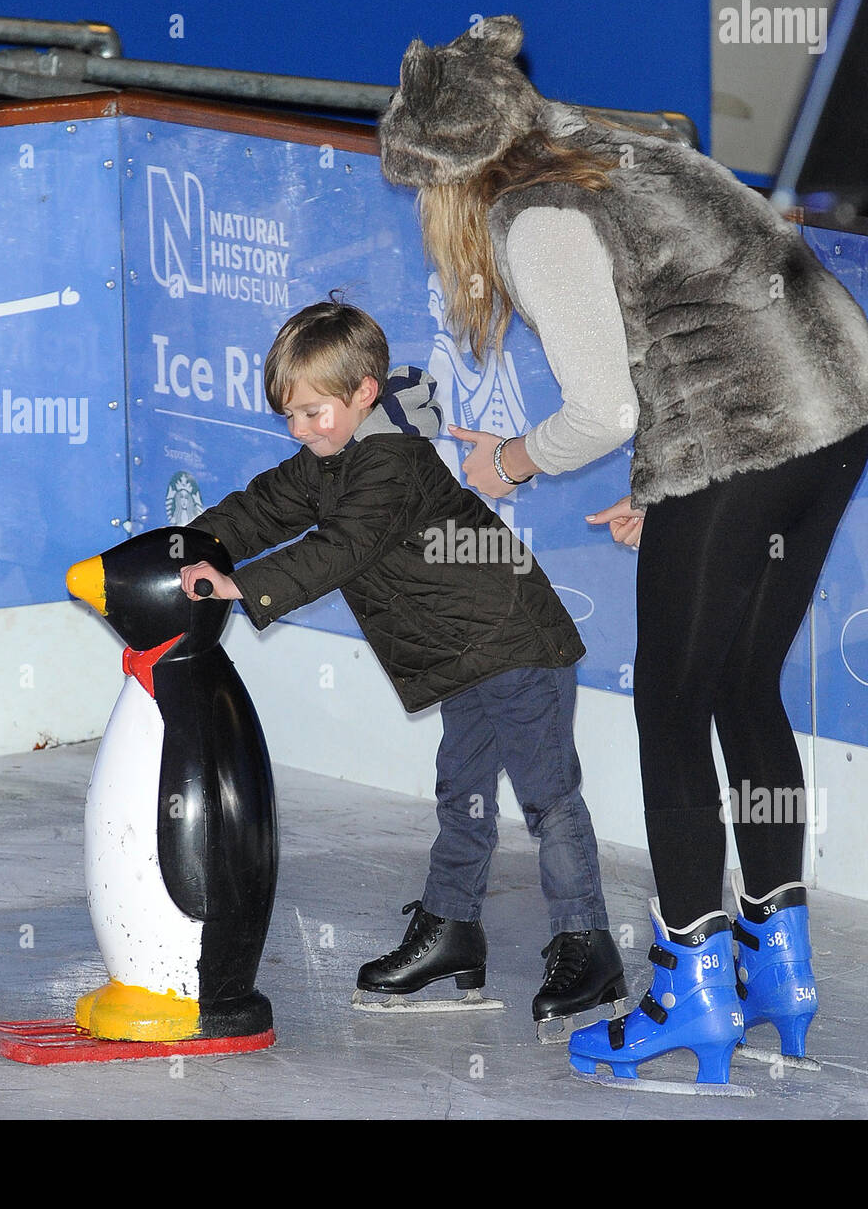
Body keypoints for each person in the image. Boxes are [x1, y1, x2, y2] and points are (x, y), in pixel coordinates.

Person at [377, 16, 868, 1088]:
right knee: (743, 686)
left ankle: (690, 985)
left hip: (749, 433)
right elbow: (704, 309)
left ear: (447, 175)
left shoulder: (534, 216)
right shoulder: (608, 142)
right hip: (832, 409)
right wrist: (672, 491)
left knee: (670, 707)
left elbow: (604, 407)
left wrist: (511, 464)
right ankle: (777, 964)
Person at [178, 297, 626, 1037]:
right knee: (464, 796)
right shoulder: (334, 455)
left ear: (363, 393)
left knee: (548, 799)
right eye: (289, 417)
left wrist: (241, 585)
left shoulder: (389, 462)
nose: (300, 431)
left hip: (514, 644)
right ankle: (452, 933)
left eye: (313, 413)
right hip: (464, 656)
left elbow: (343, 547)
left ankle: (590, 945)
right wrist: (190, 540)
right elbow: (262, 507)